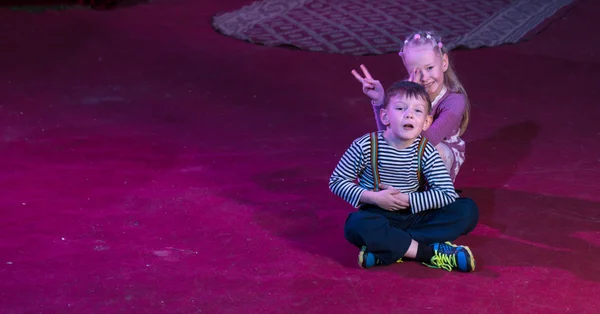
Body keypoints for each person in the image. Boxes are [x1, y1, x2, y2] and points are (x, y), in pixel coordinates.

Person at [329, 80, 479, 272]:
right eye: (400, 108)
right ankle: (428, 253)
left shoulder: (425, 151)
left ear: (426, 122)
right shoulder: (365, 145)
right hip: (378, 213)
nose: (409, 114)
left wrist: (407, 199)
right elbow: (337, 181)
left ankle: (389, 247)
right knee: (356, 225)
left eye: (418, 111)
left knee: (467, 210)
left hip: (413, 213)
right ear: (385, 116)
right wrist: (374, 197)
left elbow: (446, 193)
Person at [351, 30, 471, 182]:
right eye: (416, 71)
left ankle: (433, 197)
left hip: (435, 151)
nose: (425, 77)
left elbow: (428, 142)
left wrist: (412, 100)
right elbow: (387, 134)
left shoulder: (454, 101)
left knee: (434, 152)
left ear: (444, 63)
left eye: (429, 68)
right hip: (410, 149)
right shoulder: (404, 93)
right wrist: (380, 100)